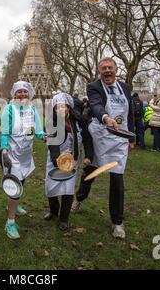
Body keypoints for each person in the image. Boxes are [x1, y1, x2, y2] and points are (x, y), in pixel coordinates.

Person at [74, 57, 134, 239]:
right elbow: (96, 105)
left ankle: (117, 222)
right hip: (100, 136)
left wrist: (131, 137)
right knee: (91, 172)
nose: (107, 71)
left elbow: (129, 111)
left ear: (116, 69)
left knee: (117, 180)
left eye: (110, 68)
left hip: (120, 140)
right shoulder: (94, 87)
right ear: (99, 72)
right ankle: (79, 199)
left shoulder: (125, 87)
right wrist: (106, 118)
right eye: (103, 68)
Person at [0, 81, 47, 239]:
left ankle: (13, 204)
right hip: (12, 154)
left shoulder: (33, 110)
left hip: (26, 154)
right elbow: (5, 133)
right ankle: (10, 222)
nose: (22, 94)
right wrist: (4, 151)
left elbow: (38, 131)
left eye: (25, 92)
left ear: (29, 94)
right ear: (14, 94)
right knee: (15, 187)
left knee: (21, 182)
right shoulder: (9, 109)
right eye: (19, 92)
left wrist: (45, 137)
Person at [45, 92, 93, 230]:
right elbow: (53, 144)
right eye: (57, 107)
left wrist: (89, 156)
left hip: (73, 161)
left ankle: (64, 218)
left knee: (68, 189)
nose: (60, 110)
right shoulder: (52, 122)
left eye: (63, 106)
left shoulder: (78, 120)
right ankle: (53, 211)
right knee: (51, 187)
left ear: (68, 107)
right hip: (56, 160)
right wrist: (57, 160)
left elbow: (87, 139)